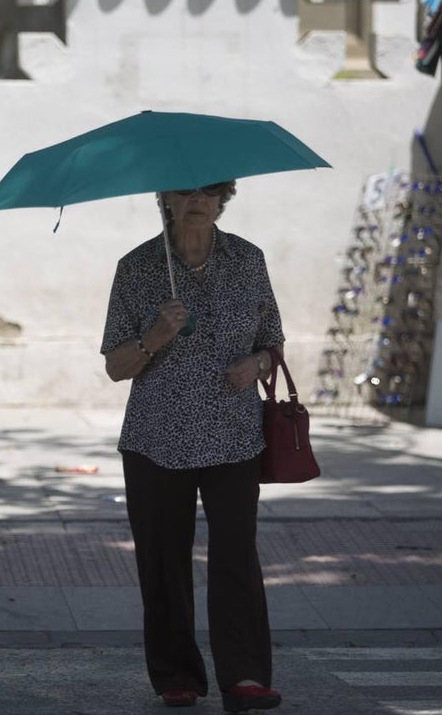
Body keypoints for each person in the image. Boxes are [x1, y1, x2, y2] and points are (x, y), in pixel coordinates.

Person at [101, 181, 285, 712]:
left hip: (233, 435)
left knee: (236, 556)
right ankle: (176, 674)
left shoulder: (248, 260)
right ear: (166, 199)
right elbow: (115, 367)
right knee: (163, 560)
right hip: (156, 437)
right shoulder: (136, 268)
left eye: (210, 190)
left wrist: (259, 365)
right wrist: (152, 339)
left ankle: (246, 676)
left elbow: (273, 339)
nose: (198, 200)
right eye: (185, 191)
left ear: (225, 196)